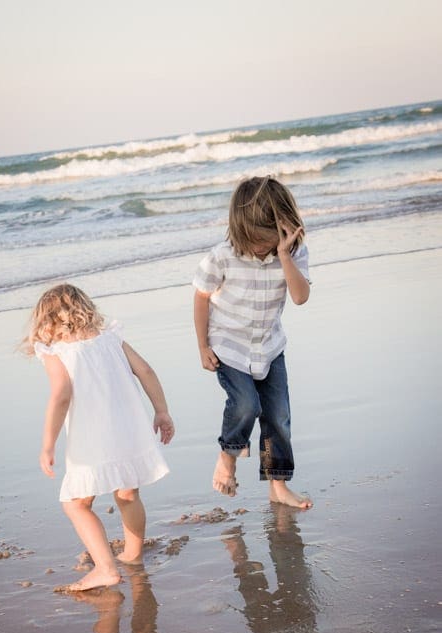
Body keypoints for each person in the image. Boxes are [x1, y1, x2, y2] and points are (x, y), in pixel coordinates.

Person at [24, 283, 175, 591]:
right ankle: (132, 555)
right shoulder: (111, 337)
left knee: (76, 503)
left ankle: (106, 568)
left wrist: (48, 443)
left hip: (94, 437)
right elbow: (145, 370)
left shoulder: (56, 351)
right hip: (130, 430)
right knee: (128, 493)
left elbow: (61, 395)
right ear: (85, 308)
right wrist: (161, 411)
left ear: (46, 320)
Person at [193, 176, 312, 509]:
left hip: (270, 347)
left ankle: (279, 486)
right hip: (229, 347)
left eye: (267, 241)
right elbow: (201, 298)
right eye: (254, 241)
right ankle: (228, 457)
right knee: (246, 405)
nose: (260, 249)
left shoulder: (293, 253)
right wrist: (202, 345)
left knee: (278, 418)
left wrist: (285, 256)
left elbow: (301, 297)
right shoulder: (222, 256)